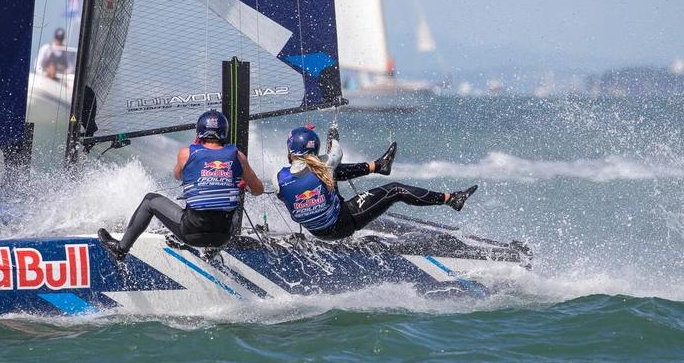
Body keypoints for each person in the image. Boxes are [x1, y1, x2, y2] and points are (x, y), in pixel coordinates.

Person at [98, 109, 264, 260]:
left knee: (150, 200)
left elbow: (178, 176)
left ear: (199, 131)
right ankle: (212, 250)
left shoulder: (187, 153)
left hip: (191, 232)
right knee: (236, 191)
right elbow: (258, 190)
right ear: (224, 131)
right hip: (224, 236)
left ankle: (120, 249)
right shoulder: (238, 156)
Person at [276, 125, 477, 241]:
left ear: (290, 151)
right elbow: (335, 152)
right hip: (343, 224)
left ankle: (379, 166)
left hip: (317, 233)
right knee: (395, 189)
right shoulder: (326, 164)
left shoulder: (279, 178)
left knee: (328, 175)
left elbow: (314, 170)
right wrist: (333, 137)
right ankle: (452, 199)